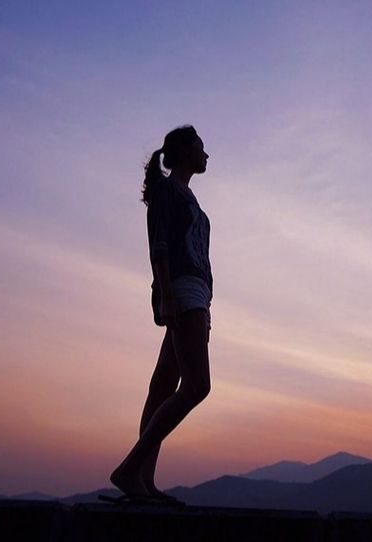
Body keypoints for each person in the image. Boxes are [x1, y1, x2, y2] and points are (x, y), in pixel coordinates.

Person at [110, 125, 212, 504]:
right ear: (185, 151)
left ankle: (143, 483)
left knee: (162, 388)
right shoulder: (166, 192)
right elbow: (160, 245)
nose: (207, 154)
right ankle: (129, 469)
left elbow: (203, 258)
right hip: (182, 291)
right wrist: (167, 293)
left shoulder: (193, 202)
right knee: (198, 386)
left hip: (197, 296)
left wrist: (208, 309)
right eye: (201, 147)